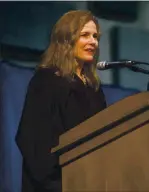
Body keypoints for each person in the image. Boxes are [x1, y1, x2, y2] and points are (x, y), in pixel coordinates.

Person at [15, 10, 107, 192]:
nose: (93, 42)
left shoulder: (94, 89)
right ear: (66, 39)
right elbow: (33, 140)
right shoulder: (46, 81)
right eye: (85, 35)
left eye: (95, 36)